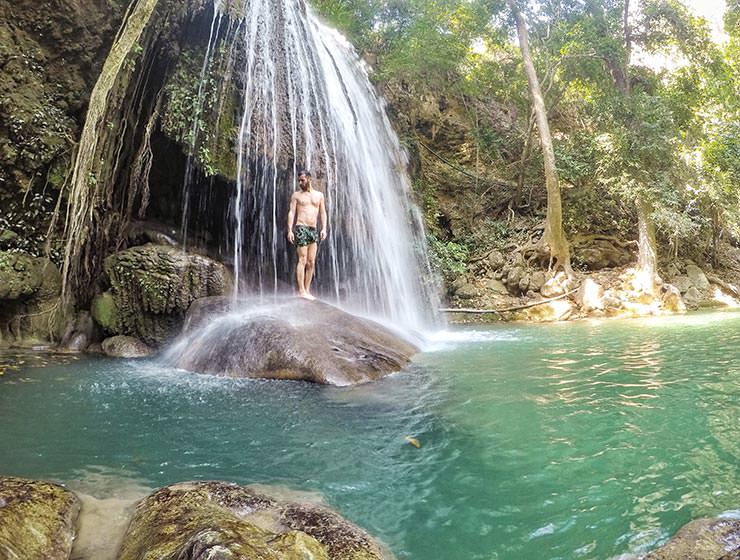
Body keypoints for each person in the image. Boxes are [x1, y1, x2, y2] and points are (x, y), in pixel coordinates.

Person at [287, 170, 327, 300]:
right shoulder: (296, 195)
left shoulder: (319, 195)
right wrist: (289, 230)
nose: (300, 182)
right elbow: (292, 212)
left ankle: (307, 289)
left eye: (302, 180)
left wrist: (324, 228)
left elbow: (323, 213)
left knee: (311, 262)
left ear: (309, 179)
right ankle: (301, 291)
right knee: (302, 259)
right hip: (301, 227)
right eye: (299, 180)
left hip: (313, 229)